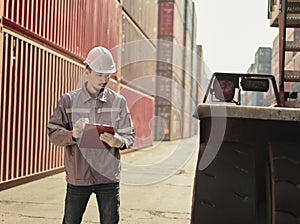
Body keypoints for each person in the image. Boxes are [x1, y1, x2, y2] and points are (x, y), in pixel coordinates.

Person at [47, 46, 135, 224]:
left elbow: (130, 135)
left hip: (108, 177)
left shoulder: (118, 102)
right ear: (87, 71)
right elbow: (53, 132)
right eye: (99, 74)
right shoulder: (69, 100)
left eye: (107, 75)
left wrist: (120, 141)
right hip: (78, 177)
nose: (104, 79)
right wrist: (73, 134)